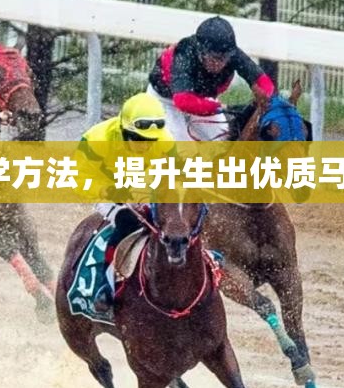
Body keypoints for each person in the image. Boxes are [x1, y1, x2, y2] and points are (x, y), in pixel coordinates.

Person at [148, 16, 274, 141]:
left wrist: (266, 99)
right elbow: (183, 101)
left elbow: (262, 80)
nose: (219, 63)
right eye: (214, 57)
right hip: (165, 99)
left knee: (222, 138)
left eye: (224, 58)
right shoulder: (184, 54)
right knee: (179, 143)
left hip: (201, 99)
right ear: (201, 52)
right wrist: (217, 107)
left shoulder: (233, 54)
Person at [79, 91, 175, 242]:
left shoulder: (165, 141)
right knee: (126, 221)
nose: (145, 145)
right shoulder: (97, 140)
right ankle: (110, 264)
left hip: (135, 183)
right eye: (138, 138)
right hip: (102, 189)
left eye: (151, 140)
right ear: (124, 130)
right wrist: (106, 190)